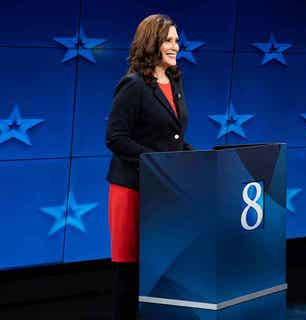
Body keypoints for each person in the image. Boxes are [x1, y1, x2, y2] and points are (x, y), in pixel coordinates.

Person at [105, 14, 193, 320]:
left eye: (177, 40)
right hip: (132, 189)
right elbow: (115, 137)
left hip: (162, 190)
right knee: (129, 271)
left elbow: (174, 136)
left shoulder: (175, 81)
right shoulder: (132, 85)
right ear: (151, 43)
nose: (175, 47)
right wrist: (154, 162)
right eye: (168, 40)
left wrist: (196, 158)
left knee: (160, 267)